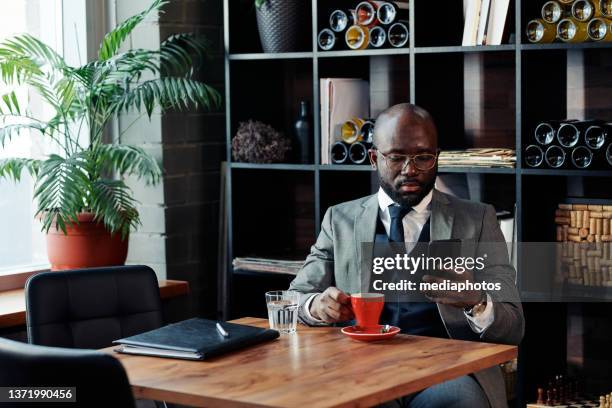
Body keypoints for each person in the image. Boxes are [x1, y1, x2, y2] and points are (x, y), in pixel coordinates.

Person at [289, 103, 524, 408]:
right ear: (374, 158)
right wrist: (316, 305)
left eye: (423, 157)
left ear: (436, 157)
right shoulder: (340, 219)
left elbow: (514, 327)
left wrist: (478, 302)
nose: (410, 169)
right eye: (397, 157)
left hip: (445, 371)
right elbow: (294, 298)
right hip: (358, 368)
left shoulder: (477, 219)